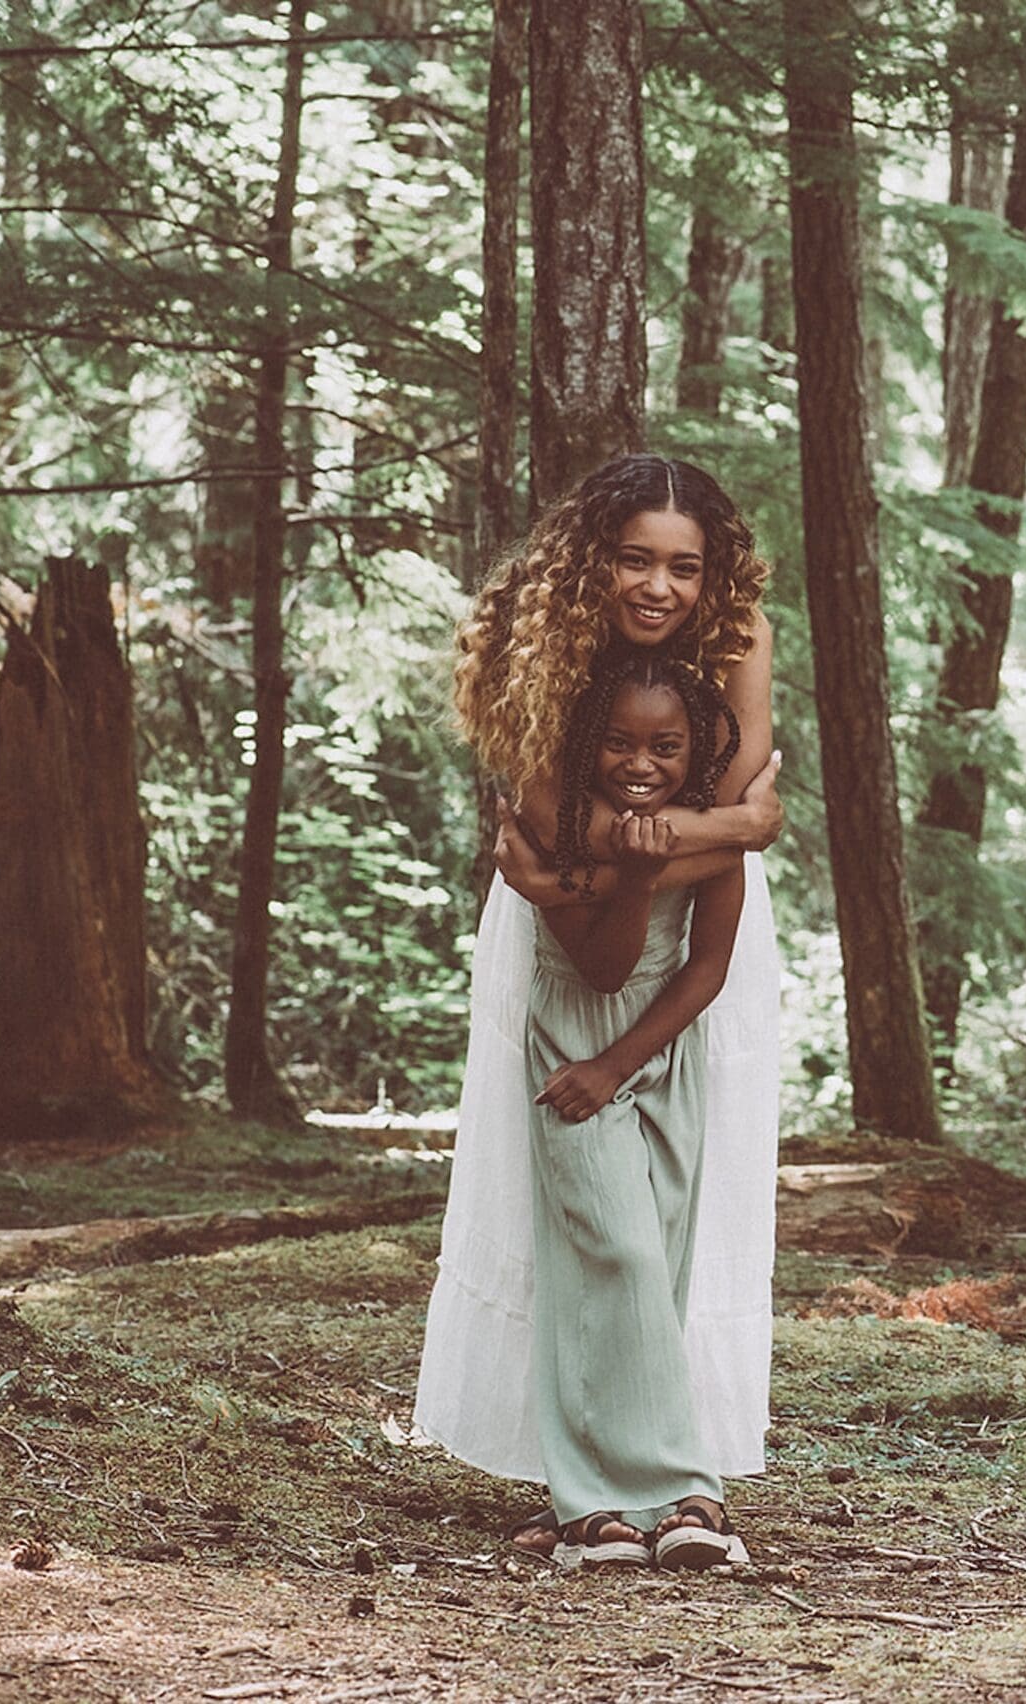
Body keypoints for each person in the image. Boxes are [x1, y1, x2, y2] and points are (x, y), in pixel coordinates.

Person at [415, 454, 783, 1568]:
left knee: (663, 1222)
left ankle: (641, 1488)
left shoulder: (740, 633)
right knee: (597, 1228)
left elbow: (738, 804)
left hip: (689, 944)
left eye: (684, 565)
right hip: (574, 953)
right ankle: (622, 1489)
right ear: (595, 559)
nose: (660, 586)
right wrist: (713, 838)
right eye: (635, 559)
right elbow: (584, 832)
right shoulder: (540, 641)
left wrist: (640, 856)